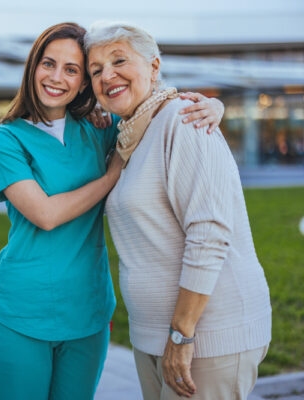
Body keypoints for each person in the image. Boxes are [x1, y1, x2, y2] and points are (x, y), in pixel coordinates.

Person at [0, 22, 224, 400]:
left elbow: (154, 107)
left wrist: (212, 105)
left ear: (83, 84)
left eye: (72, 69)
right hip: (22, 312)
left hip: (88, 312)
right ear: (32, 68)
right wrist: (113, 172)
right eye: (48, 64)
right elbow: (45, 215)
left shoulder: (101, 128)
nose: (56, 77)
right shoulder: (5, 139)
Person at [85, 22, 272, 400]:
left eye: (119, 59)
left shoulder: (183, 120)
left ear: (154, 67)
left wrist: (181, 334)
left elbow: (209, 234)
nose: (107, 75)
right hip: (154, 336)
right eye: (95, 70)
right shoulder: (128, 136)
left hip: (206, 337)